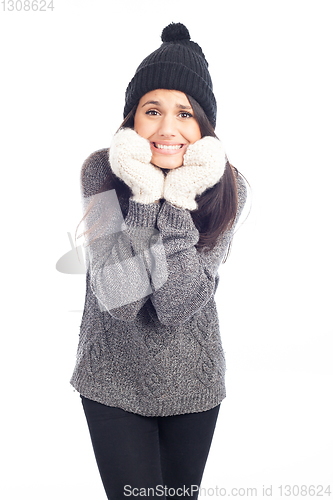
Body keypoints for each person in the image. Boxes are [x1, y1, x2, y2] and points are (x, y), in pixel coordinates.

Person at [71, 22, 248, 499]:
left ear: (205, 128)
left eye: (185, 115)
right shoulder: (101, 174)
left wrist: (180, 198)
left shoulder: (229, 186)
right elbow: (120, 299)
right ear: (132, 122)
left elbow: (176, 305)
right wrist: (146, 196)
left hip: (194, 384)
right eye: (153, 111)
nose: (168, 128)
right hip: (111, 378)